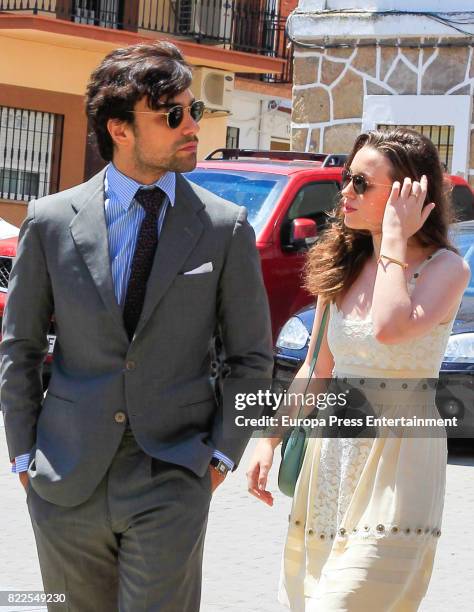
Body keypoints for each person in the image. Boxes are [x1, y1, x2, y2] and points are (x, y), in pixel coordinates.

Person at [1, 40, 273, 611]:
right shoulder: (50, 222)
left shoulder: (224, 228)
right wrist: (24, 458)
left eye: (193, 110)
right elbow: (20, 348)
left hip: (172, 475)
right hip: (66, 478)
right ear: (120, 129)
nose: (192, 125)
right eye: (172, 114)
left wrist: (220, 459)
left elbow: (250, 358)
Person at [247, 128, 471, 611]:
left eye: (362, 184)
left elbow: (391, 326)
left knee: (347, 601)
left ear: (408, 192)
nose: (345, 192)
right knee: (313, 595)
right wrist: (269, 439)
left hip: (400, 462)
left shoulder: (446, 268)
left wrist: (393, 236)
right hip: (333, 458)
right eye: (348, 180)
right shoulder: (343, 265)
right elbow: (316, 367)